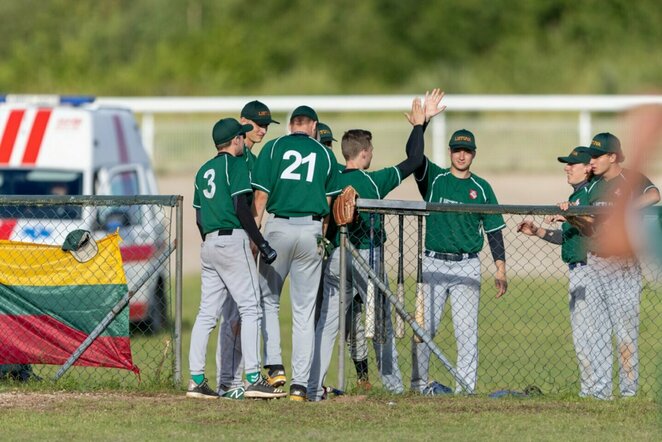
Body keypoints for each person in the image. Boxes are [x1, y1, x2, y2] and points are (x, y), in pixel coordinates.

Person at [308, 90, 446, 401]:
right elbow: (414, 160)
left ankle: (312, 384)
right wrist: (420, 126)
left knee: (327, 321)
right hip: (365, 254)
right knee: (382, 320)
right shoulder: (373, 181)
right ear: (365, 153)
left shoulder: (329, 179)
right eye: (370, 150)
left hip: (333, 256)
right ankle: (394, 385)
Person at [187, 117, 286, 400]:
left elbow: (198, 216)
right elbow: (242, 208)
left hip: (209, 243)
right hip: (233, 240)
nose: (245, 140)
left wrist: (211, 242)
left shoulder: (203, 170)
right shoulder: (237, 165)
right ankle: (254, 377)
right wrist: (261, 242)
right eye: (241, 137)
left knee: (207, 313)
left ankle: (196, 380)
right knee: (251, 308)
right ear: (235, 141)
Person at [251, 105, 342, 401]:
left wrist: (255, 235)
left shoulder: (275, 147)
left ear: (291, 125)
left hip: (279, 227)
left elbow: (261, 195)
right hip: (312, 230)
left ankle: (275, 366)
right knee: (304, 312)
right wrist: (324, 240)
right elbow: (329, 205)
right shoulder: (326, 154)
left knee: (268, 299)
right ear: (313, 126)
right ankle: (300, 386)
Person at [410, 128, 508, 394]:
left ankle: (465, 388)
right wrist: (421, 124)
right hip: (434, 263)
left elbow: (494, 230)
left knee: (466, 333)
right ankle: (418, 385)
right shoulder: (435, 179)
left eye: (466, 150)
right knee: (424, 329)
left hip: (466, 264)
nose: (461, 155)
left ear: (473, 154)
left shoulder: (481, 188)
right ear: (450, 152)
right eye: (456, 150)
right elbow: (413, 156)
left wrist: (500, 267)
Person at [565, 133, 659, 399]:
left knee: (625, 333)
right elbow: (590, 225)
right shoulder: (592, 186)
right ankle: (601, 392)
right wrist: (574, 218)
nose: (591, 161)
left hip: (624, 267)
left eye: (597, 156)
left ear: (613, 157)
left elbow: (654, 194)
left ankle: (628, 393)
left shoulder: (631, 178)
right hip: (595, 262)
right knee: (598, 332)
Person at [516, 146, 594, 397]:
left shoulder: (589, 196)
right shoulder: (577, 197)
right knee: (582, 337)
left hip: (589, 270)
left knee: (588, 337)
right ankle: (591, 391)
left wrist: (570, 214)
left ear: (587, 168)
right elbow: (568, 239)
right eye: (567, 163)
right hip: (576, 269)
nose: (567, 167)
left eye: (573, 164)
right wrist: (538, 231)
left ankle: (594, 392)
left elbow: (594, 230)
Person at [215, 100, 279, 398]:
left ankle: (233, 379)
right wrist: (254, 239)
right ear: (243, 122)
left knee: (241, 312)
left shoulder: (252, 158)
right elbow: (244, 205)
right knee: (233, 313)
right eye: (256, 124)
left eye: (266, 125)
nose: (262, 130)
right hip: (236, 240)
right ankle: (229, 379)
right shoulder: (236, 157)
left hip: (244, 238)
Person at [314, 121, 373, 391]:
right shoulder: (318, 177)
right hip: (322, 256)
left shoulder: (338, 175)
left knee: (354, 322)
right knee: (319, 319)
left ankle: (362, 377)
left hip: (341, 254)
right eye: (321, 143)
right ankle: (314, 380)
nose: (325, 148)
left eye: (328, 144)